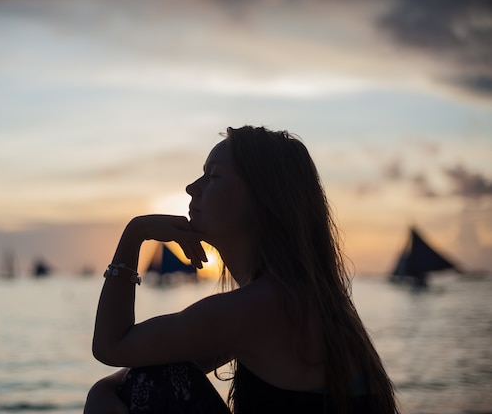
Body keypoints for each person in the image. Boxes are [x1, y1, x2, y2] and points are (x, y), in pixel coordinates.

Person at [84, 126, 400, 414]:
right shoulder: (297, 297)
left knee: (130, 389)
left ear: (262, 199)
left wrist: (134, 234)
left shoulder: (263, 307)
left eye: (214, 176)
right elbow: (144, 360)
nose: (192, 188)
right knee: (145, 379)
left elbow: (111, 346)